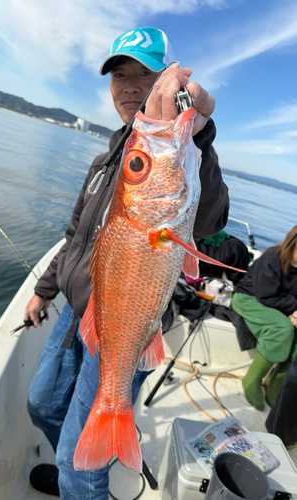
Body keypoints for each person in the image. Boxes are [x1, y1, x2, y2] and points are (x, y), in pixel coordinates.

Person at [24, 27, 229, 498]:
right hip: (83, 310)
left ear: (164, 84)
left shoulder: (180, 153)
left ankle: (80, 476)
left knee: (81, 471)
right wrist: (44, 290)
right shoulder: (103, 162)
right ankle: (75, 464)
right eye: (121, 75)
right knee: (41, 404)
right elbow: (76, 238)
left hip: (132, 318)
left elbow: (209, 218)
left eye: (145, 74)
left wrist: (203, 136)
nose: (132, 86)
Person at [231, 225, 297, 411]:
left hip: (280, 302)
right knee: (282, 328)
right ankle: (252, 380)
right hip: (249, 297)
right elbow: (266, 295)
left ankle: (275, 385)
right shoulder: (272, 258)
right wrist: (294, 309)